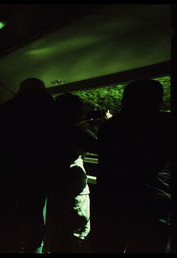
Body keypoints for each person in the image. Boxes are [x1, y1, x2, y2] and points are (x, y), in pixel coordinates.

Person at [93, 79, 173, 253]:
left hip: (111, 199)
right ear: (157, 100)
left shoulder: (109, 126)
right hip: (150, 202)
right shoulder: (165, 124)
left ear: (124, 100)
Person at [0, 78, 55, 253]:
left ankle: (0, 248)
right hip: (36, 173)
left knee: (3, 215)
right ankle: (31, 249)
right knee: (34, 215)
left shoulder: (5, 109)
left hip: (6, 171)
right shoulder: (47, 110)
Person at [44, 93, 95, 253]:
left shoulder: (45, 130)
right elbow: (101, 146)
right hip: (73, 188)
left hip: (53, 187)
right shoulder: (75, 132)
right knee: (76, 230)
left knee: (57, 229)